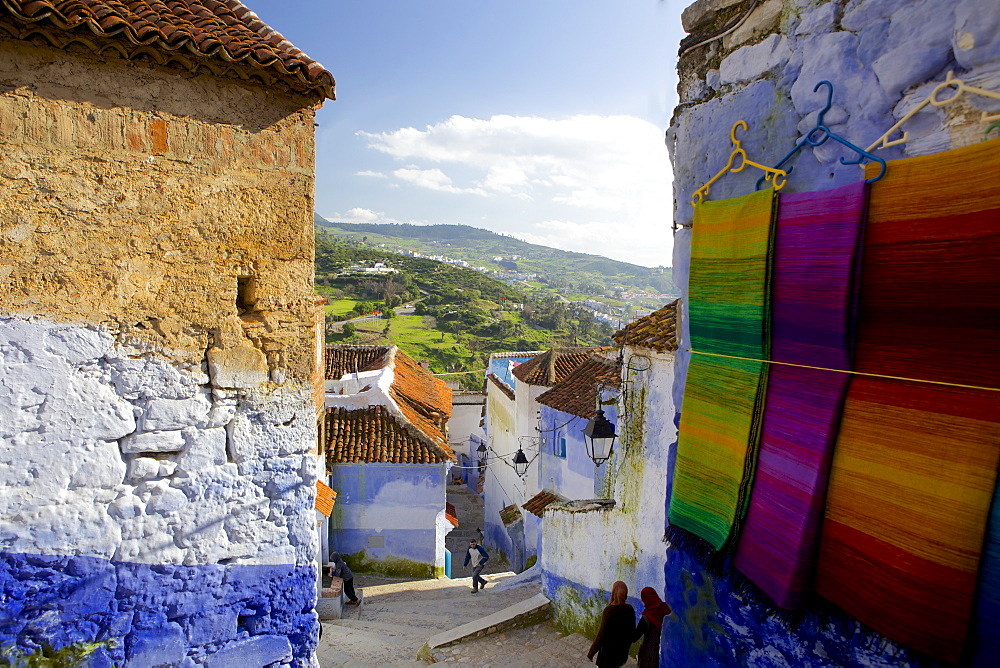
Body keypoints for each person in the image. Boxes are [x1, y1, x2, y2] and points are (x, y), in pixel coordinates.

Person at [587, 581, 635, 667]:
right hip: (621, 653)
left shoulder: (609, 611)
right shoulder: (630, 609)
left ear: (613, 592)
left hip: (608, 654)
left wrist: (591, 653)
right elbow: (632, 633)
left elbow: (601, 635)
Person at [633, 586, 671, 668]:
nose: (642, 600)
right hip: (663, 653)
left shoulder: (647, 617)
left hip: (648, 655)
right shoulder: (666, 610)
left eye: (643, 598)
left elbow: (634, 637)